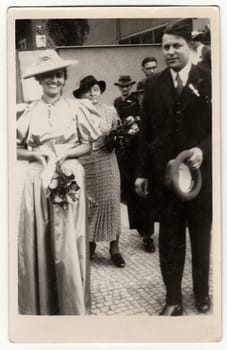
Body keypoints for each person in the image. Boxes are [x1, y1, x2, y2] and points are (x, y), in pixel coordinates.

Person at [135, 21, 212, 316]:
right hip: (166, 179)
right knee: (169, 239)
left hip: (201, 179)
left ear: (190, 47)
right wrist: (142, 172)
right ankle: (173, 298)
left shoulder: (209, 80)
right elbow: (146, 133)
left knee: (201, 236)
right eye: (165, 46)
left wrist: (201, 150)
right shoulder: (152, 85)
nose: (169, 52)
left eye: (176, 45)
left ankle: (202, 293)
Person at [17, 50, 101, 315]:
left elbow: (88, 145)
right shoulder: (28, 111)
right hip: (38, 179)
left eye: (58, 75)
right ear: (39, 80)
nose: (54, 80)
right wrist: (34, 153)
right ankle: (43, 306)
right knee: (39, 239)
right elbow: (14, 148)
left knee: (69, 241)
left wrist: (65, 153)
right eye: (48, 76)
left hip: (70, 176)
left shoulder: (77, 108)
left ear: (64, 79)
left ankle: (72, 306)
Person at [73, 75, 126, 268]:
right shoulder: (76, 113)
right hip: (86, 164)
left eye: (95, 89)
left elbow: (120, 134)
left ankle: (115, 248)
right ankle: (90, 243)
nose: (92, 93)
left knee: (112, 203)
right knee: (89, 206)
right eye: (88, 90)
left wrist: (113, 139)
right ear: (82, 95)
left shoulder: (110, 111)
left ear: (100, 91)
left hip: (108, 164)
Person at [114, 75, 155, 253]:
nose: (125, 89)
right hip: (125, 155)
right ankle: (140, 228)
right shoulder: (116, 102)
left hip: (139, 151)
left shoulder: (138, 104)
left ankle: (148, 235)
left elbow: (142, 126)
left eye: (127, 86)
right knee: (130, 194)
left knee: (143, 193)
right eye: (122, 86)